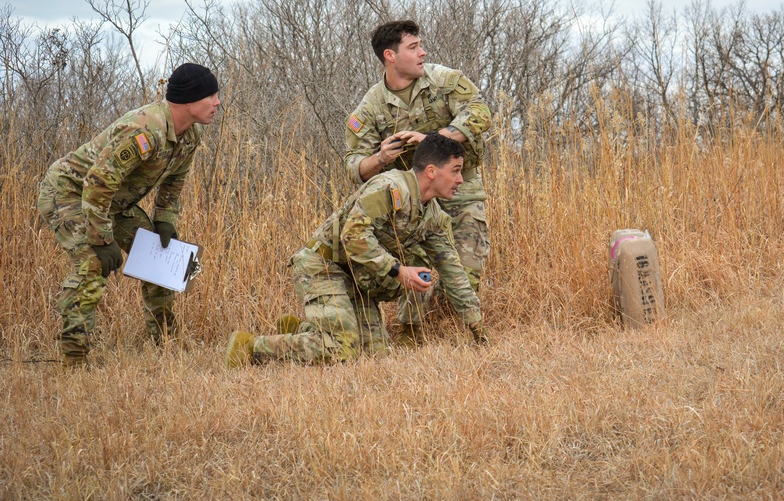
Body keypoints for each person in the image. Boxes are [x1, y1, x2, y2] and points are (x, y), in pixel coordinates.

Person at [224, 133, 487, 368]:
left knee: (375, 356)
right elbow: (353, 234)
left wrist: (477, 329)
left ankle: (307, 332)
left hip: (356, 278)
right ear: (431, 171)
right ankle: (250, 348)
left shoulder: (434, 217)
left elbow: (453, 273)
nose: (460, 180)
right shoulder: (390, 188)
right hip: (324, 266)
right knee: (343, 349)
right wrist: (398, 271)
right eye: (455, 171)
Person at [36, 63, 221, 367]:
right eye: (211, 96)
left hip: (113, 202)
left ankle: (164, 343)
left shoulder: (192, 134)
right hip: (70, 193)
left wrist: (165, 220)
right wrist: (100, 238)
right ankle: (73, 359)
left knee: (160, 258)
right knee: (92, 264)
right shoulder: (144, 129)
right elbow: (97, 182)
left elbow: (175, 181)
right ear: (189, 100)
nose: (217, 103)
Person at [344, 20, 492, 344]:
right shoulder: (370, 108)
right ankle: (412, 332)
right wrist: (381, 157)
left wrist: (435, 140)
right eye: (413, 47)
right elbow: (354, 167)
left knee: (466, 266)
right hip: (412, 200)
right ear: (390, 56)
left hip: (460, 190)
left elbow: (480, 112)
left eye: (420, 45)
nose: (423, 52)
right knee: (414, 264)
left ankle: (448, 327)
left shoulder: (444, 81)